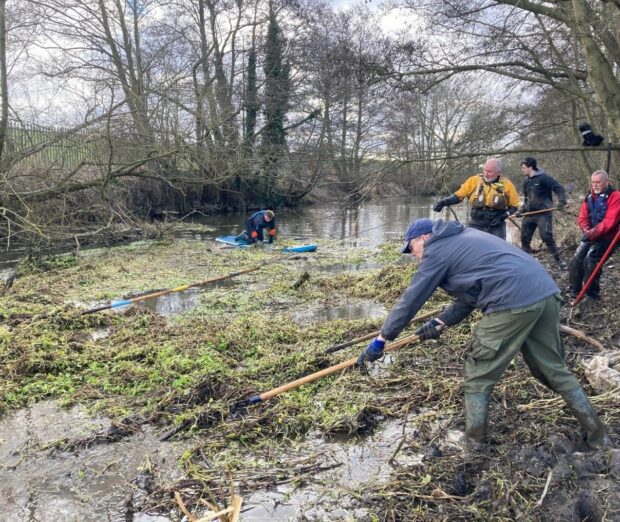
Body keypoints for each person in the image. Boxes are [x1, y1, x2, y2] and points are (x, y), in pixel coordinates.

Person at [357, 218, 610, 450]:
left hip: (512, 302)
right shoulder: (466, 237)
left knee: (478, 374)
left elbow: (411, 300)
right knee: (552, 370)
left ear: (423, 238)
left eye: (411, 249)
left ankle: (473, 443)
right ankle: (599, 436)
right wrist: (441, 321)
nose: (413, 256)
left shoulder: (437, 250)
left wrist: (382, 339)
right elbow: (472, 294)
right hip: (545, 293)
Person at [433, 158, 519, 240]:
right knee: (472, 250)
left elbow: (514, 206)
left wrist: (504, 216)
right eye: (485, 170)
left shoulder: (508, 185)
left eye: (490, 172)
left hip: (496, 226)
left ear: (498, 173)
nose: (486, 174)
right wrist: (443, 202)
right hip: (476, 225)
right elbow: (458, 196)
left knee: (499, 250)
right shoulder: (473, 181)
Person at [568, 170, 619, 301]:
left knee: (590, 260)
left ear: (607, 182)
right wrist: (586, 230)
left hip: (608, 237)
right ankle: (575, 291)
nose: (594, 185)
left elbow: (610, 221)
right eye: (593, 182)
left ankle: (592, 295)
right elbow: (582, 217)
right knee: (576, 259)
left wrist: (593, 233)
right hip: (590, 234)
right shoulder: (589, 197)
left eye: (598, 182)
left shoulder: (615, 197)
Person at [516, 157, 568, 268]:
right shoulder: (526, 182)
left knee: (546, 237)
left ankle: (560, 262)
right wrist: (521, 210)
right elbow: (526, 200)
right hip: (529, 214)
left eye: (524, 167)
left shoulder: (544, 178)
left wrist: (562, 201)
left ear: (530, 167)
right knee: (524, 239)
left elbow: (559, 188)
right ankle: (525, 264)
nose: (522, 170)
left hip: (543, 213)